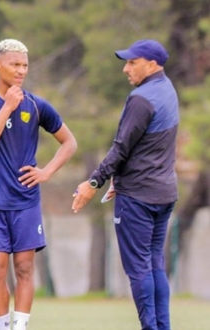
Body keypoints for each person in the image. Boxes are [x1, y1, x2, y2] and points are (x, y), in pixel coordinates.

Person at [0, 39, 77, 330]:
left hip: (26, 202)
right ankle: (3, 327)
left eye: (25, 65)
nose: (21, 71)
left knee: (25, 268)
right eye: (15, 64)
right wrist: (7, 107)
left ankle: (20, 326)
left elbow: (69, 142)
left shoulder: (37, 105)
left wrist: (47, 172)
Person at [72, 39, 178, 330]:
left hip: (139, 197)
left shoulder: (141, 98)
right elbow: (149, 147)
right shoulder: (167, 90)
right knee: (155, 265)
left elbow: (121, 148)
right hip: (164, 192)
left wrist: (93, 182)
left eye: (132, 62)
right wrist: (120, 178)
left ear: (152, 64)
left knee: (140, 269)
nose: (125, 69)